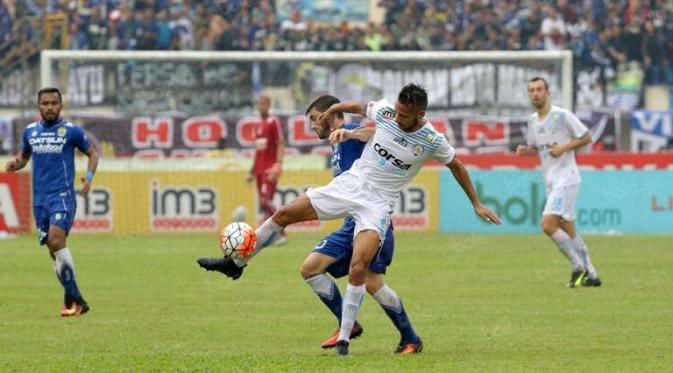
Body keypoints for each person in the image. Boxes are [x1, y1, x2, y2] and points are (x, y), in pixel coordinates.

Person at [200, 84, 500, 356]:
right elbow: (362, 108)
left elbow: (457, 165)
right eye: (395, 111)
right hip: (351, 187)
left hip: (378, 205)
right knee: (284, 215)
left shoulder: (432, 139)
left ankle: (360, 337)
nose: (395, 117)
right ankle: (237, 264)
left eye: (403, 114)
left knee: (364, 274)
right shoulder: (386, 114)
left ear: (420, 113)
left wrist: (476, 203)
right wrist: (334, 110)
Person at [5, 87, 99, 316]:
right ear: (38, 107)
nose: (49, 107)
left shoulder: (71, 131)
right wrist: (15, 165)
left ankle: (75, 297)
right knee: (53, 250)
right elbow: (25, 156)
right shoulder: (30, 131)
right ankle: (74, 298)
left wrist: (88, 179)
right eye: (45, 103)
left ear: (60, 106)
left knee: (57, 241)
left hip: (62, 196)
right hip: (40, 200)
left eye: (54, 103)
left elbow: (93, 153)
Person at [516, 77, 601, 288]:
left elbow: (587, 137)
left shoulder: (562, 116)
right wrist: (526, 151)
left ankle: (577, 266)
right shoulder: (532, 121)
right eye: (532, 90)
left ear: (547, 91)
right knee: (568, 229)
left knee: (547, 224)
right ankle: (592, 275)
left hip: (567, 178)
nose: (535, 93)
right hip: (551, 180)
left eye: (539, 89)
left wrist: (564, 148)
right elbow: (537, 148)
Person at [246, 94, 287, 244]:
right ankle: (269, 235)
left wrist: (278, 164)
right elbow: (258, 152)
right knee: (264, 203)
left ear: (269, 105)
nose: (260, 106)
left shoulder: (273, 121)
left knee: (265, 200)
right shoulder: (257, 126)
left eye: (263, 103)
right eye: (258, 104)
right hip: (258, 171)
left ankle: (282, 232)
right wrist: (251, 172)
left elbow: (280, 142)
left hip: (270, 169)